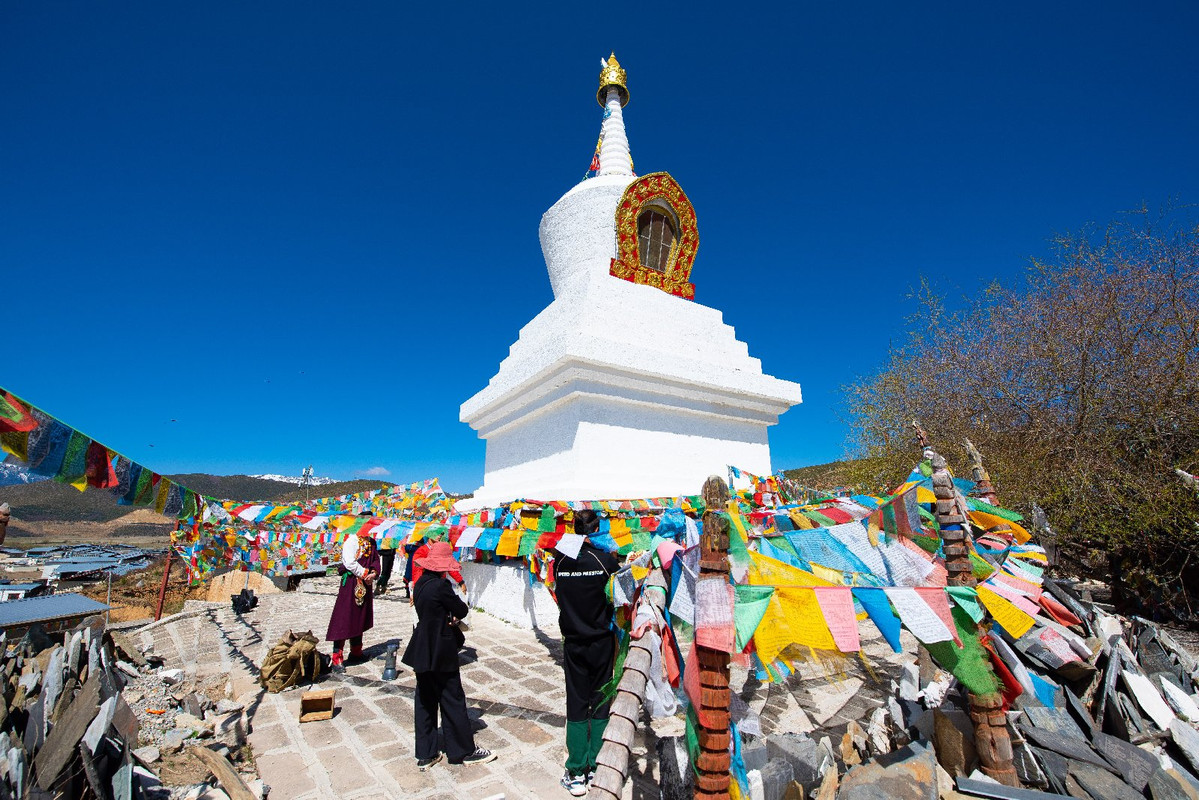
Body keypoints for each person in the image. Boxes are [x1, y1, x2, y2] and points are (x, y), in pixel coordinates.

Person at [401, 541, 495, 770]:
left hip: (421, 646)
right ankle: (463, 750)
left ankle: (426, 753)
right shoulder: (440, 587)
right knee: (452, 698)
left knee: (425, 700)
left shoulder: (421, 583)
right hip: (440, 647)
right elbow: (461, 609)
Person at [553, 509, 619, 796]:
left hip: (574, 641)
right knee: (601, 700)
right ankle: (597, 764)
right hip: (602, 641)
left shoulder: (559, 562)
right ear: (597, 529)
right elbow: (618, 597)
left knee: (577, 703)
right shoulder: (606, 562)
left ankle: (576, 770)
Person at [325, 530, 380, 670]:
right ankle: (337, 657)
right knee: (344, 618)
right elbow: (349, 563)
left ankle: (356, 652)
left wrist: (373, 573)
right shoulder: (351, 541)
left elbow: (375, 560)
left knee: (359, 616)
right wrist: (365, 573)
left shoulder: (371, 542)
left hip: (365, 584)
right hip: (351, 583)